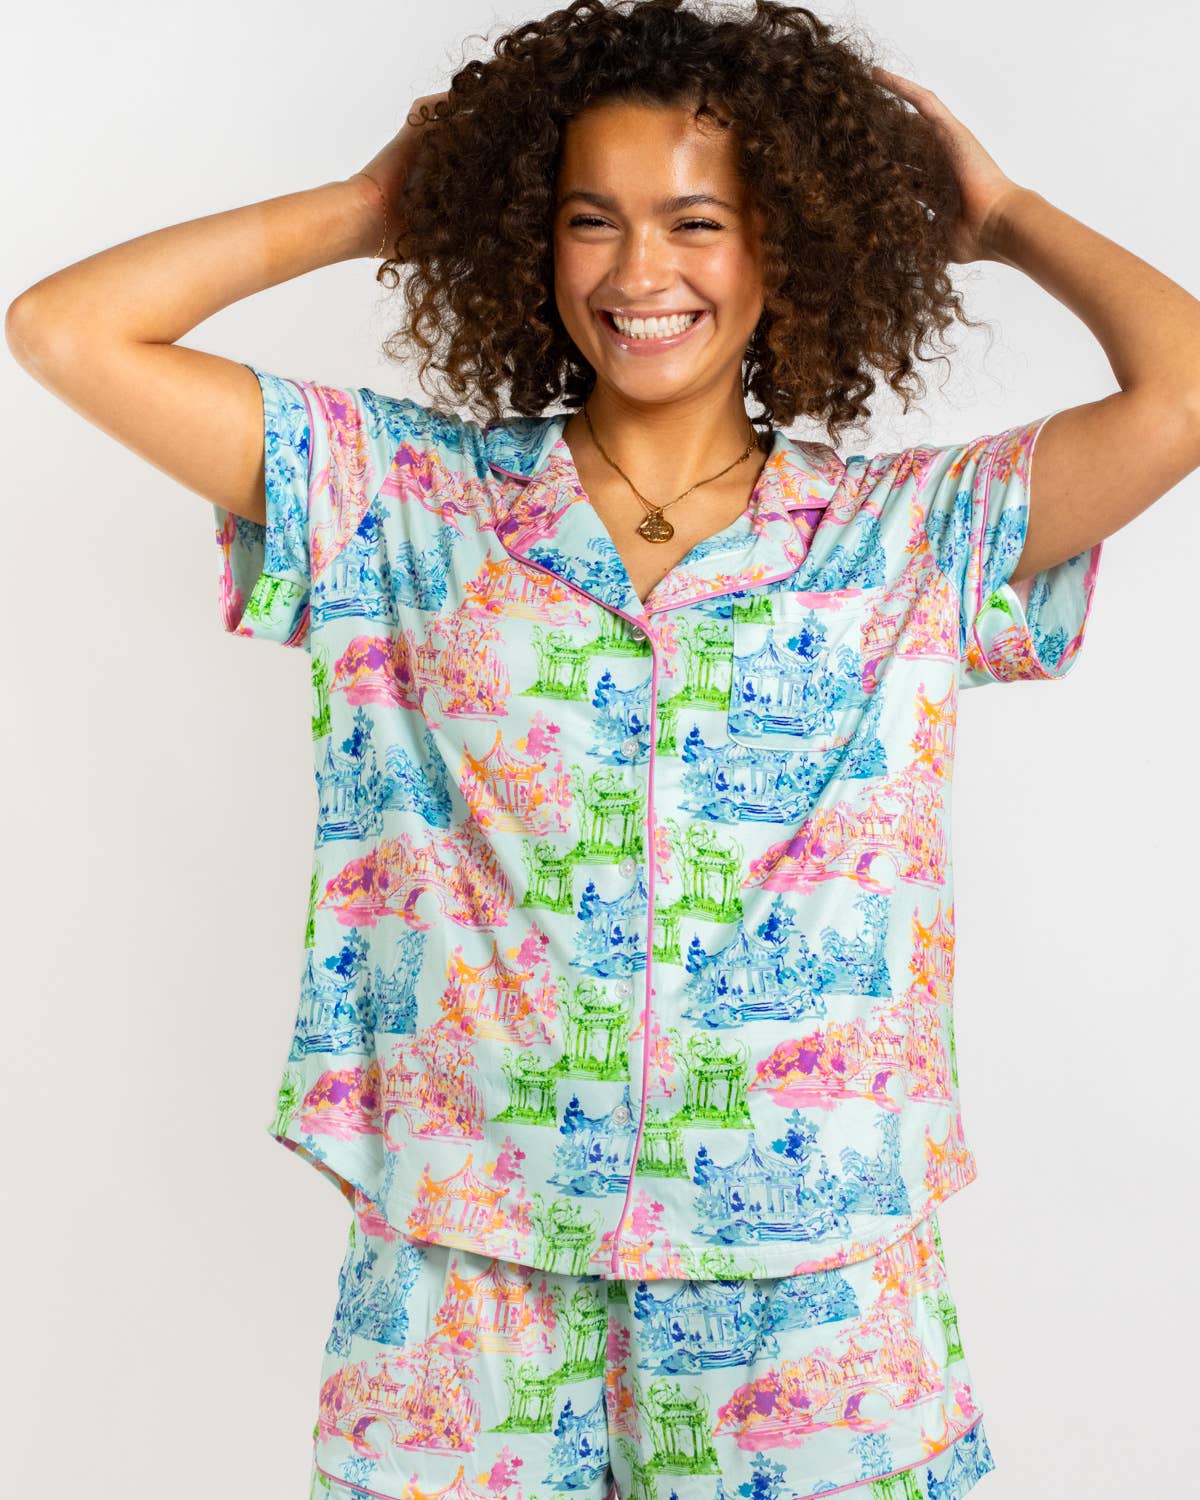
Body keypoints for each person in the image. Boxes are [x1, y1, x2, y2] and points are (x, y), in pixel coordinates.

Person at [7, 2, 1198, 1496]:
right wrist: (374, 205)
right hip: (465, 1263)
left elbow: (1184, 394)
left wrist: (1006, 218)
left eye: (697, 222)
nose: (640, 273)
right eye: (592, 220)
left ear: (784, 246)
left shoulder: (910, 534)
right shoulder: (397, 499)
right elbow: (63, 330)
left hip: (810, 1272)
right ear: (532, 239)